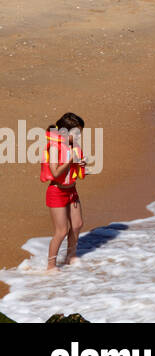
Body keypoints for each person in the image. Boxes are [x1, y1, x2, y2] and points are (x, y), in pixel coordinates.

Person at [42, 112, 87, 269]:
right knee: (61, 231)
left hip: (72, 190)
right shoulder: (55, 147)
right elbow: (55, 173)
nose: (78, 136)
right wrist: (70, 160)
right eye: (76, 133)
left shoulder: (74, 147)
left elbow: (78, 175)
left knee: (77, 224)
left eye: (79, 133)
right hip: (57, 191)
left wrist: (81, 167)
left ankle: (71, 256)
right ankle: (51, 266)